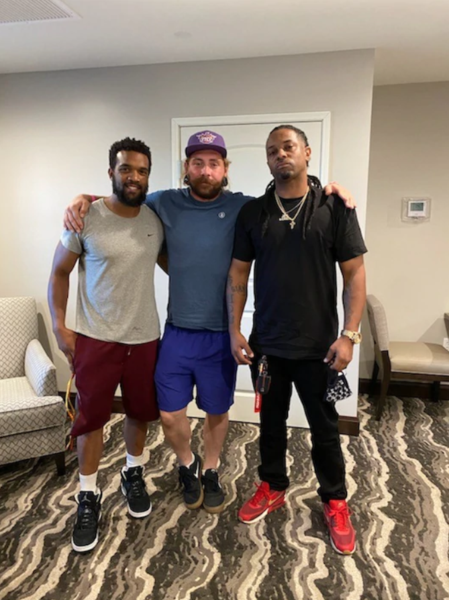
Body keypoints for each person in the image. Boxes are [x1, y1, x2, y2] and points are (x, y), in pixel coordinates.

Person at [63, 129, 355, 516]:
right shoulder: (163, 203)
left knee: (219, 411)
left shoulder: (246, 208)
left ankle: (213, 470)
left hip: (222, 334)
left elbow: (292, 196)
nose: (205, 170)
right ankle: (188, 465)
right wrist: (83, 199)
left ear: (225, 168)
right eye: (197, 163)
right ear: (187, 167)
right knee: (169, 414)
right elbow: (123, 197)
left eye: (213, 163)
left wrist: (330, 189)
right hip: (177, 332)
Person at [226, 124, 366, 555]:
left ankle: (335, 500)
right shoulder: (253, 213)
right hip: (268, 344)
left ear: (306, 152)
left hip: (320, 347)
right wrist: (234, 329)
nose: (280, 155)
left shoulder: (334, 207)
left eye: (288, 147)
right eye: (272, 151)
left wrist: (349, 335)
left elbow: (355, 273)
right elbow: (238, 274)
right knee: (270, 423)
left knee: (325, 429)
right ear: (267, 160)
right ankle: (272, 485)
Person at [48, 137, 164, 553]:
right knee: (90, 419)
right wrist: (61, 328)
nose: (134, 177)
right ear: (111, 171)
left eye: (142, 170)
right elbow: (59, 273)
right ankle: (88, 493)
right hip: (95, 339)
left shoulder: (155, 219)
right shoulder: (86, 218)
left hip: (145, 337)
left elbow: (181, 263)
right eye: (126, 168)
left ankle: (133, 472)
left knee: (140, 412)